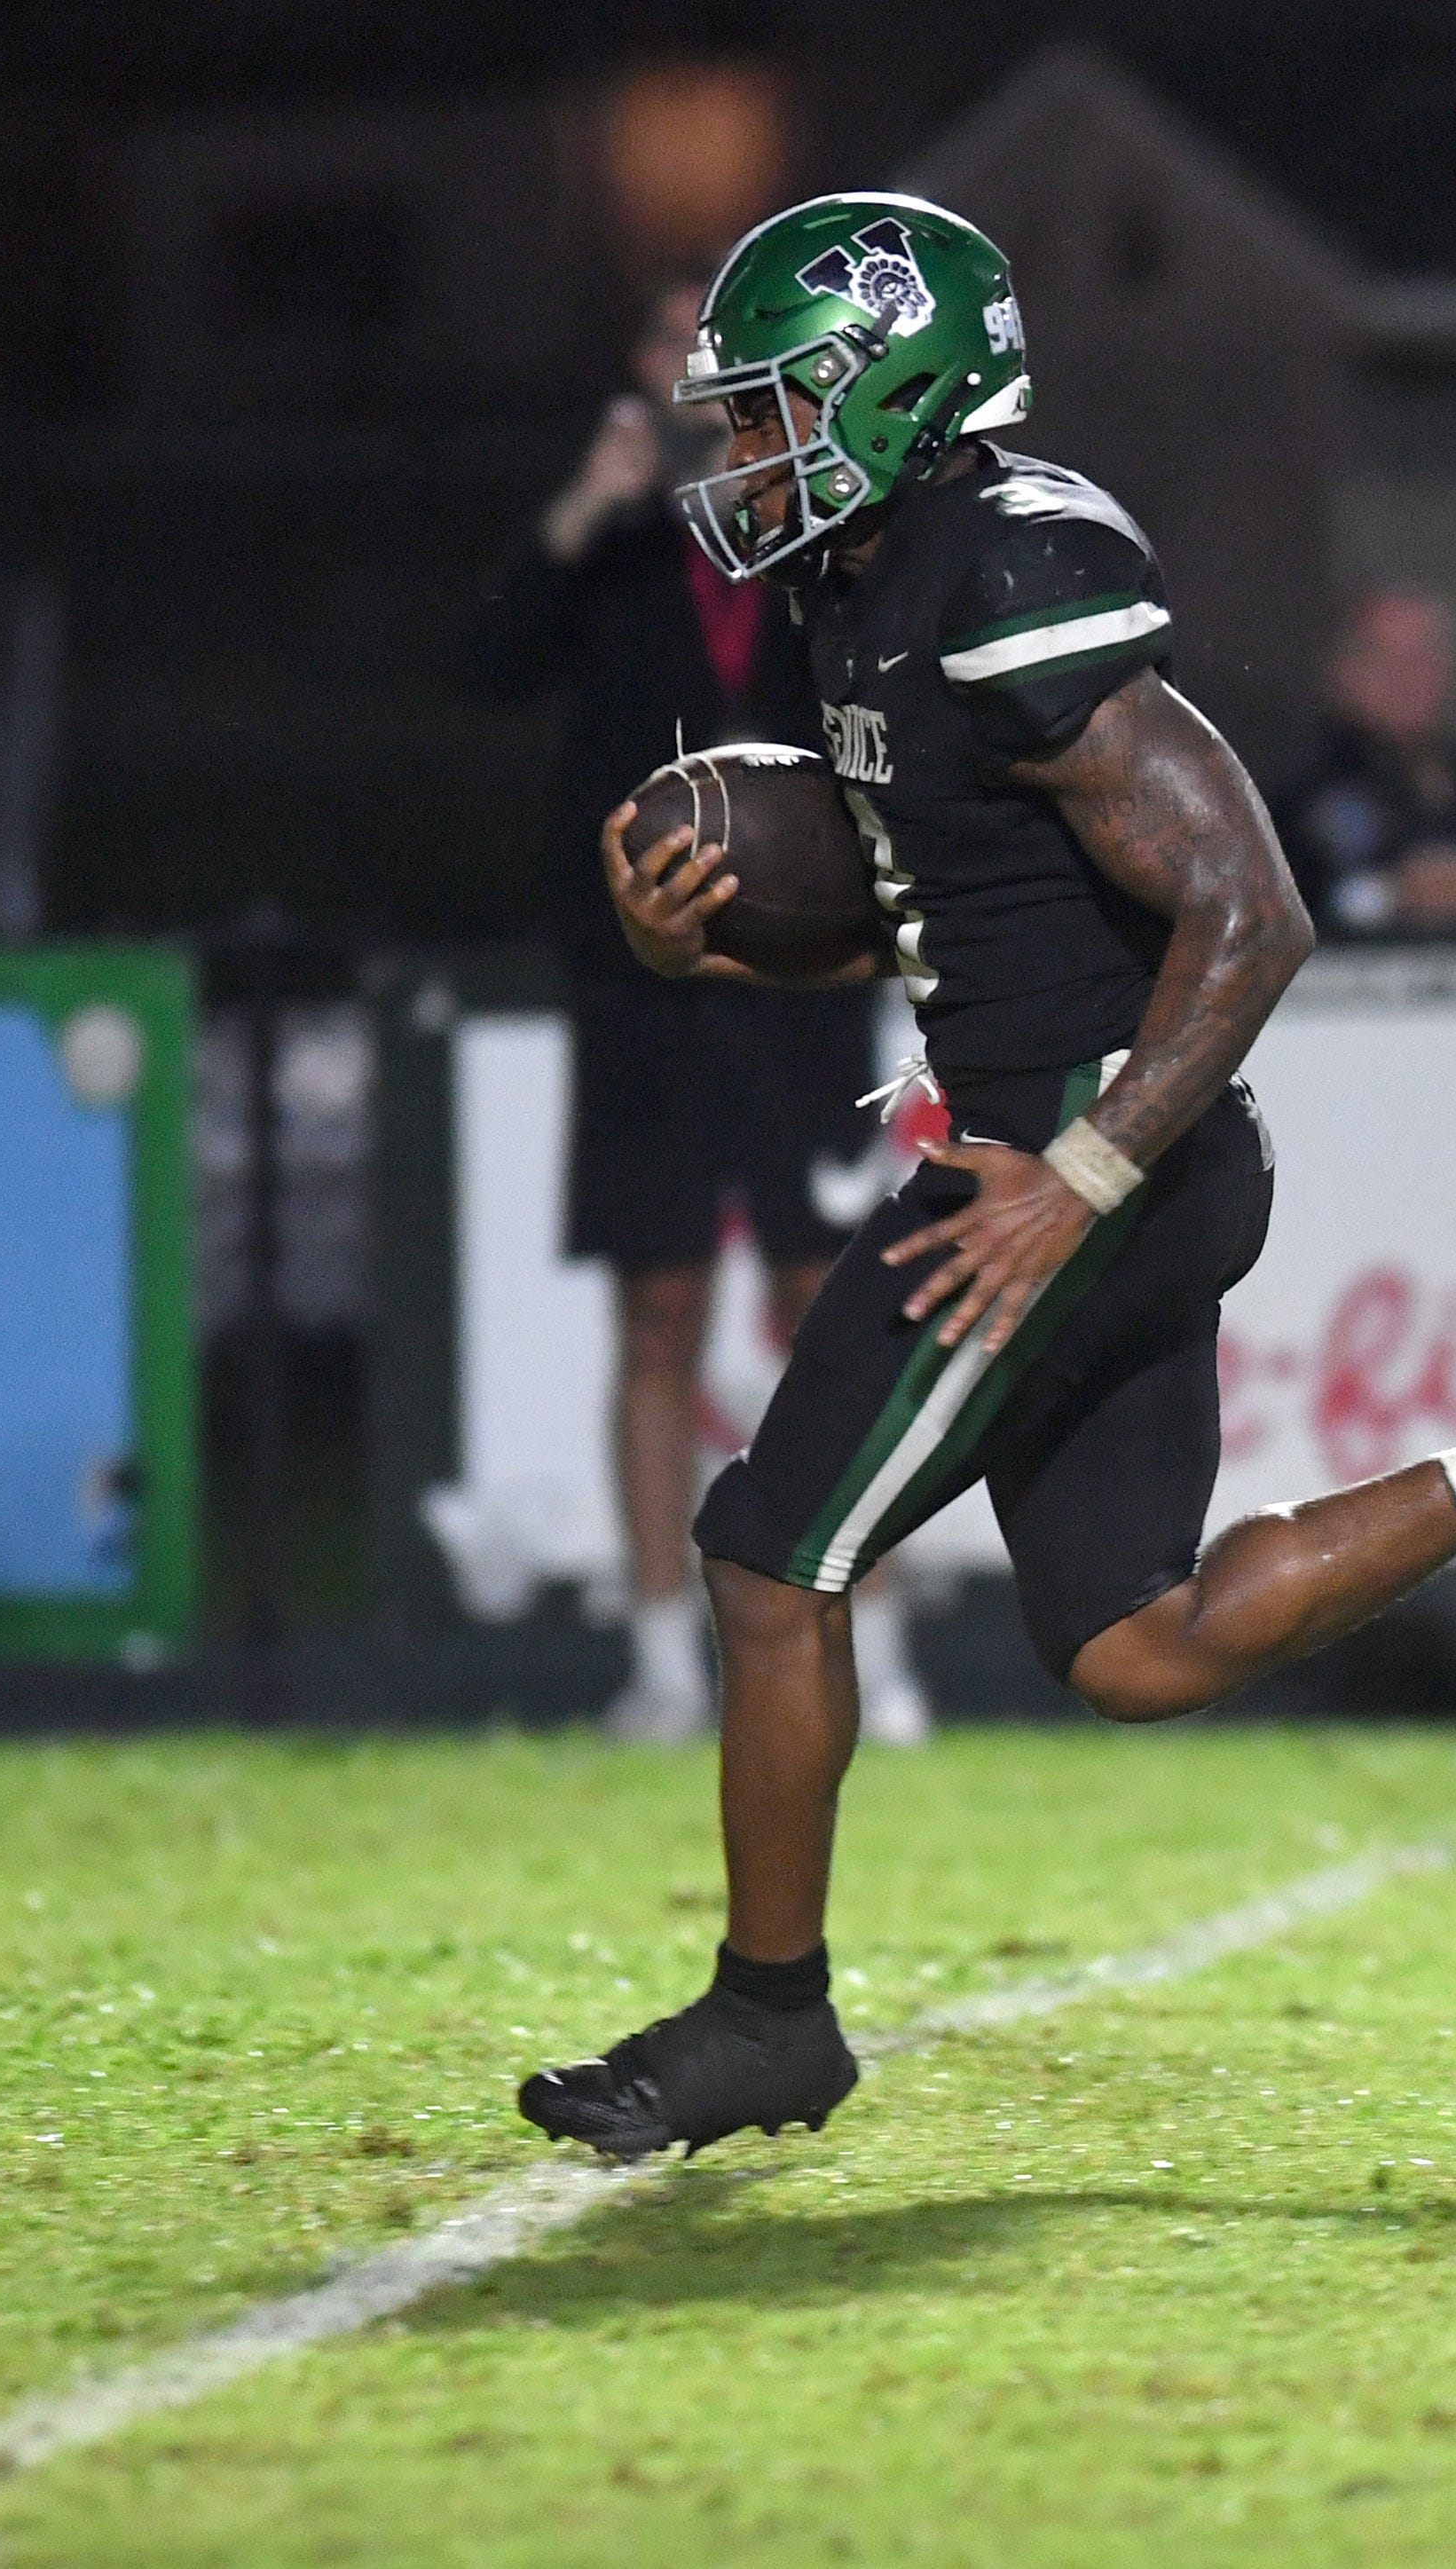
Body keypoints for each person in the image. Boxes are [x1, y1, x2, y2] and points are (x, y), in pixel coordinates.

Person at [516, 193, 1456, 2163]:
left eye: (781, 409)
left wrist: (1077, 1176)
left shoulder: (999, 560)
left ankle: (769, 2015)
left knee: (771, 1554)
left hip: (1081, 1150)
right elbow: (936, 903)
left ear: (890, 393)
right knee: (1133, 1644)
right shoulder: (868, 572)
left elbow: (1253, 906)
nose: (749, 451)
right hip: (1101, 1144)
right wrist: (698, 933)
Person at [466, 277, 928, 1749]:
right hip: (641, 981)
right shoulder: (609, 549)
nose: (693, 373)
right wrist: (579, 510)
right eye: (670, 345)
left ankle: (881, 1639)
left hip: (802, 975)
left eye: (715, 349)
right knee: (656, 1308)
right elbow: (486, 667)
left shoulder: (819, 534)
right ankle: (663, 1657)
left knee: (828, 1303)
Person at [1265, 585, 1456, 935]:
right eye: (1385, 658)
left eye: (1425, 655)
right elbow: (1418, 887)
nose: (1409, 677)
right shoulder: (1309, 785)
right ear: (1343, 669)